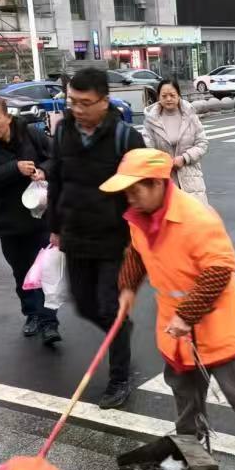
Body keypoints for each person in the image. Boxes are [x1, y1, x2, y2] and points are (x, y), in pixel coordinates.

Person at [104, 148, 235, 470]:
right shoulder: (140, 218)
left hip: (213, 320)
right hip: (175, 323)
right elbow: (137, 253)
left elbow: (220, 269)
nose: (129, 198)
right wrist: (128, 287)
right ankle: (190, 447)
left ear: (158, 183)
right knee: (183, 390)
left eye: (135, 189)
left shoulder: (196, 218)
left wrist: (188, 314)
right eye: (126, 191)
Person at [46, 67, 145, 409]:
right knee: (83, 303)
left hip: (114, 240)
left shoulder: (125, 138)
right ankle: (120, 331)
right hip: (75, 235)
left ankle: (119, 377)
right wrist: (55, 226)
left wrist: (138, 240)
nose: (77, 109)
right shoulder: (63, 132)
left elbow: (143, 190)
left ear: (104, 101)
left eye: (85, 103)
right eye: (72, 101)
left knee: (108, 306)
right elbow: (57, 180)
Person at [0, 95, 61, 346]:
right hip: (9, 222)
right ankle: (31, 313)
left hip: (41, 217)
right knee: (22, 272)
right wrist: (14, 168)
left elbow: (56, 158)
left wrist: (44, 171)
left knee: (44, 270)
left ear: (7, 117)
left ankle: (49, 322)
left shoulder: (30, 133)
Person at [142, 79, 210, 205]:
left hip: (191, 178)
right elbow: (147, 149)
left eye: (172, 95)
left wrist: (184, 158)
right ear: (158, 97)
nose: (168, 99)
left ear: (179, 95)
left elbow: (202, 143)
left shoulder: (190, 115)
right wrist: (163, 162)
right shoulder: (151, 120)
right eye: (164, 96)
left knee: (193, 214)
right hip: (164, 179)